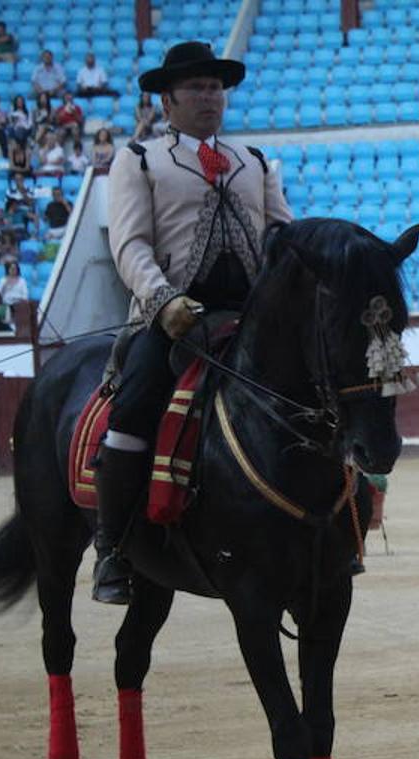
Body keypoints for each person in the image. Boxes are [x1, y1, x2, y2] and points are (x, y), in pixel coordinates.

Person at [97, 40, 293, 605]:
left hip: (249, 318)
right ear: (167, 100)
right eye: (196, 88)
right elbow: (130, 245)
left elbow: (282, 234)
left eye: (216, 87)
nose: (210, 97)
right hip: (173, 319)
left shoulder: (254, 161)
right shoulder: (138, 160)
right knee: (133, 408)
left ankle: (331, 531)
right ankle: (114, 547)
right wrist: (163, 300)